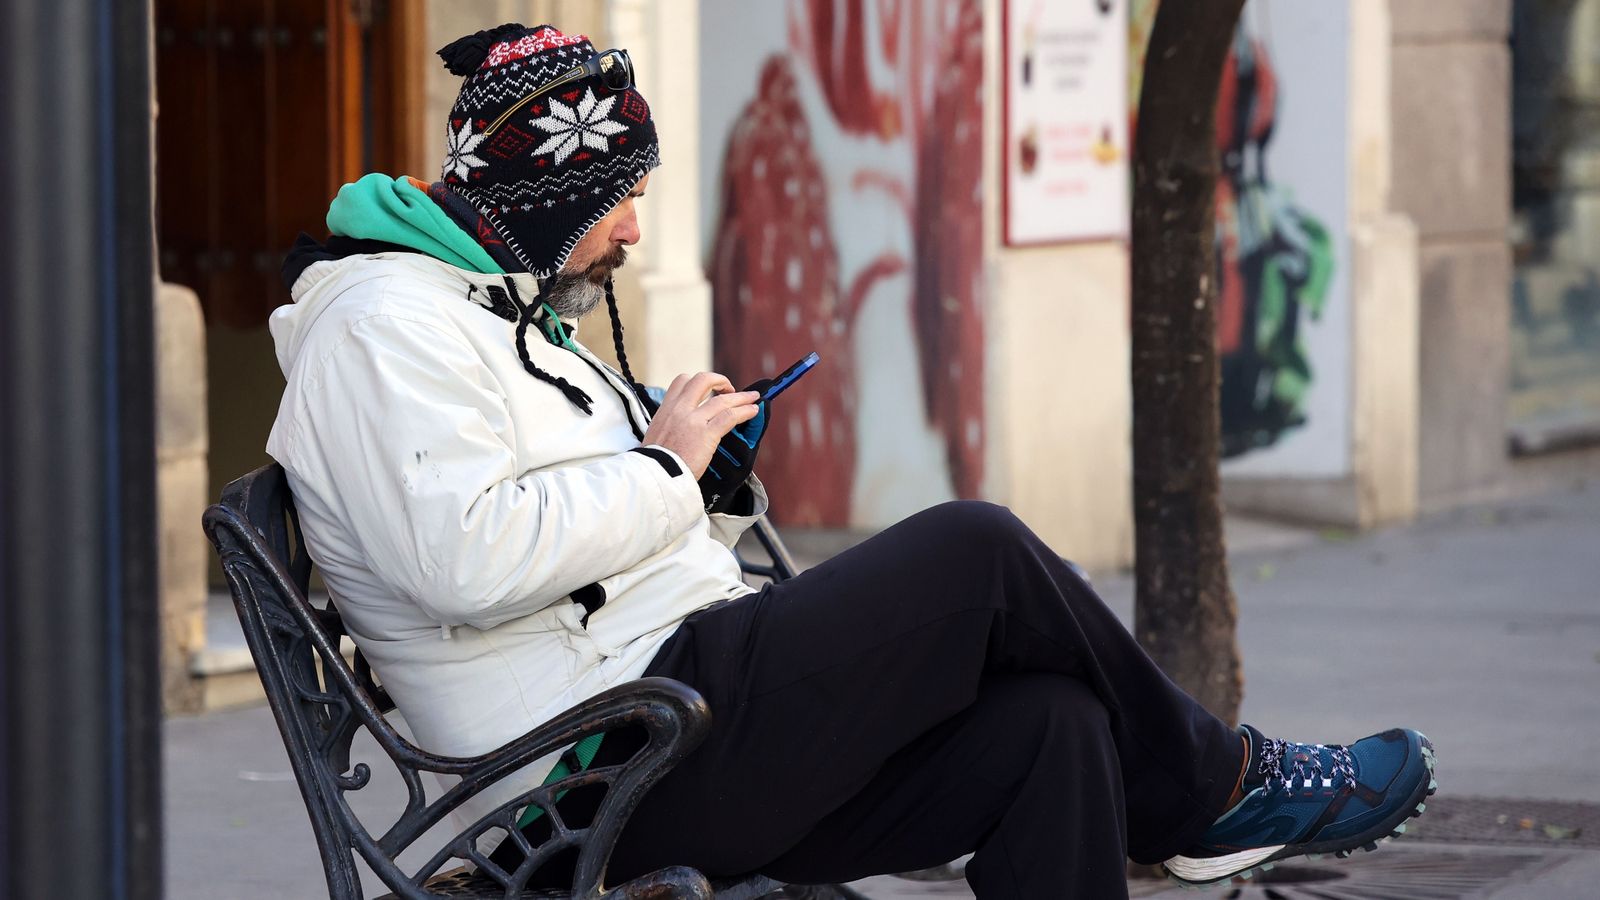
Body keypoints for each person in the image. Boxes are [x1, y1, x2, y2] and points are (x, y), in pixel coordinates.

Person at [266, 23, 1436, 899]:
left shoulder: (487, 310)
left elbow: (579, 550)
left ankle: (1194, 792)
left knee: (1051, 726)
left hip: (672, 712)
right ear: (542, 189)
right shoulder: (382, 326)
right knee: (976, 551)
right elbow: (461, 559)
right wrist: (664, 469)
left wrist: (704, 494)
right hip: (597, 772)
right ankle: (1216, 787)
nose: (632, 227)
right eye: (617, 194)